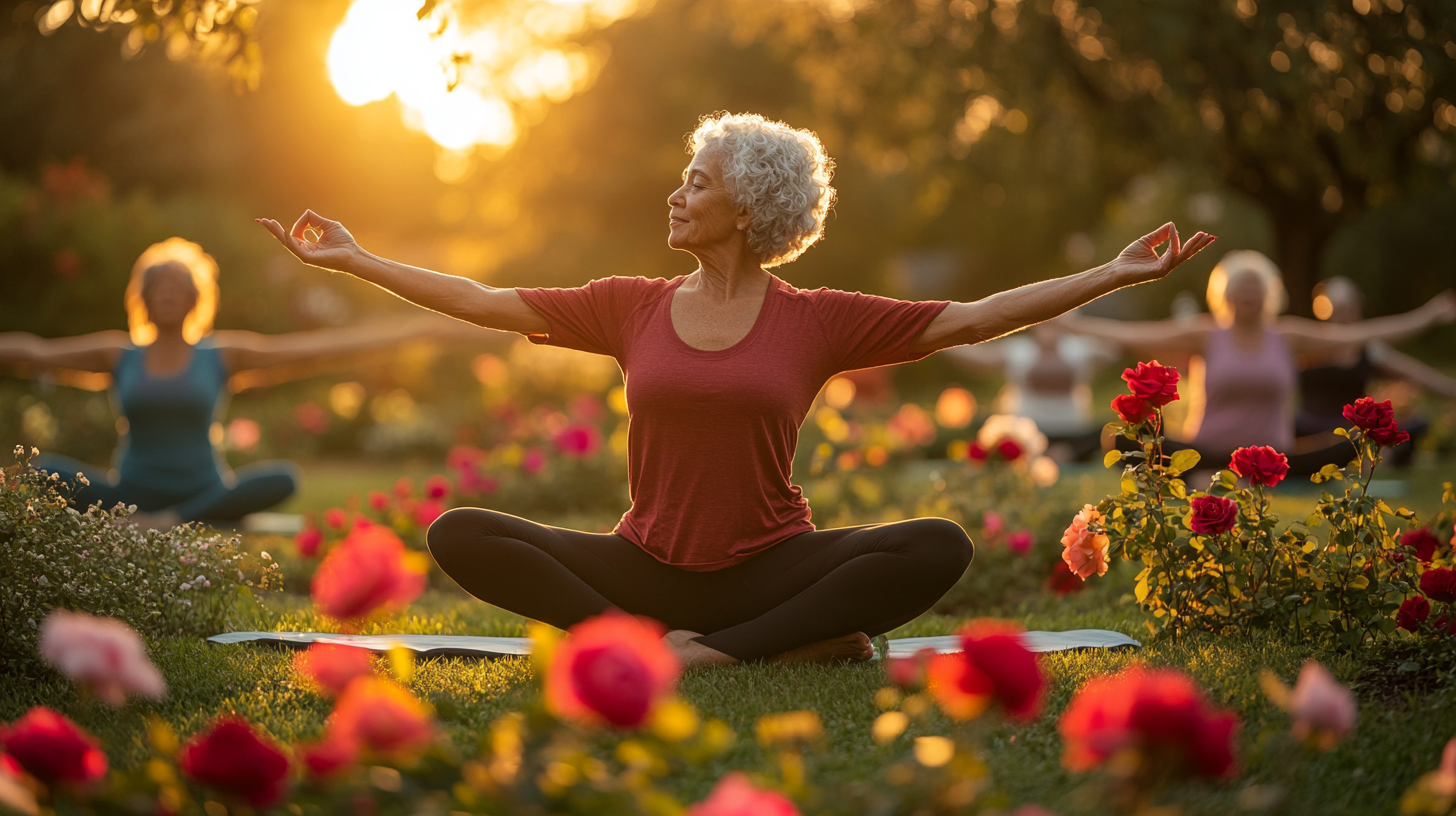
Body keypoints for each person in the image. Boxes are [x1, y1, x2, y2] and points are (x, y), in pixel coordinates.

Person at [259, 112, 1216, 666]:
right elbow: (481, 300)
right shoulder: (627, 305)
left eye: (697, 183)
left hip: (772, 564)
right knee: (462, 531)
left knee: (939, 543)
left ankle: (711, 651)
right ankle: (709, 642)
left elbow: (970, 319)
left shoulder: (819, 319)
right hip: (645, 566)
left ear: (750, 207)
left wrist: (1113, 274)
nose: (676, 196)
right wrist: (356, 259)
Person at [0, 237, 451, 526]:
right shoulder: (117, 354)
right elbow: (35, 352)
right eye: (158, 285)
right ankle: (157, 517)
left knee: (283, 478)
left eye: (178, 285)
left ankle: (173, 519)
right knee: (41, 470)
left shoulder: (222, 354)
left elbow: (315, 349)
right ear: (144, 299)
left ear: (194, 299)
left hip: (204, 491)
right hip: (129, 492)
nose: (168, 291)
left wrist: (409, 331)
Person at [1064, 250, 1455, 476]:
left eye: (1256, 285)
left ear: (1268, 294)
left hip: (1274, 459)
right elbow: (1134, 334)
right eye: (1241, 285)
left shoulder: (1287, 336)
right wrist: (1065, 320)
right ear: (1226, 294)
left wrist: (1426, 316)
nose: (1248, 292)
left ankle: (1235, 477)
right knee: (1121, 440)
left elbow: (1359, 335)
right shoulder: (1206, 333)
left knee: (1349, 444)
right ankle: (1210, 476)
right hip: (1206, 453)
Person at [1295, 276, 1456, 464]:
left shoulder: (1369, 349)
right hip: (1307, 429)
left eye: (1350, 308)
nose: (1344, 316)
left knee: (1414, 425)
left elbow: (1419, 374)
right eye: (1338, 308)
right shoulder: (1308, 344)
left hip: (1351, 431)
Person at [945, 321, 1119, 462]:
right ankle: (1055, 454)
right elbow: (981, 359)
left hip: (1072, 431)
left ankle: (1057, 453)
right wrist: (941, 341)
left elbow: (1113, 351)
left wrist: (1077, 325)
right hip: (1026, 432)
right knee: (984, 423)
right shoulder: (1019, 349)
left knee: (1109, 430)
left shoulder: (1079, 347)